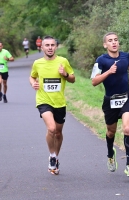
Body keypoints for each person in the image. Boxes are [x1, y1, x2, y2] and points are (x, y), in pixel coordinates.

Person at [91, 32, 129, 177]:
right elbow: (94, 81)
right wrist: (109, 72)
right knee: (111, 132)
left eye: (116, 40)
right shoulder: (101, 60)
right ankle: (111, 154)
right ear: (105, 45)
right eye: (110, 41)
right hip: (110, 101)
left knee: (127, 129)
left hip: (126, 97)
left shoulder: (125, 56)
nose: (114, 43)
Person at [29, 36, 75, 175]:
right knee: (52, 129)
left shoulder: (63, 61)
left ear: (56, 47)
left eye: (52, 45)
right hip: (43, 100)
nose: (50, 47)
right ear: (42, 47)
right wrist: (33, 83)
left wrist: (65, 74)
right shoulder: (37, 63)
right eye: (47, 45)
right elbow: (32, 76)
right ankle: (52, 157)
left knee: (59, 133)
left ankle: (55, 156)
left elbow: (73, 79)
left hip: (59, 102)